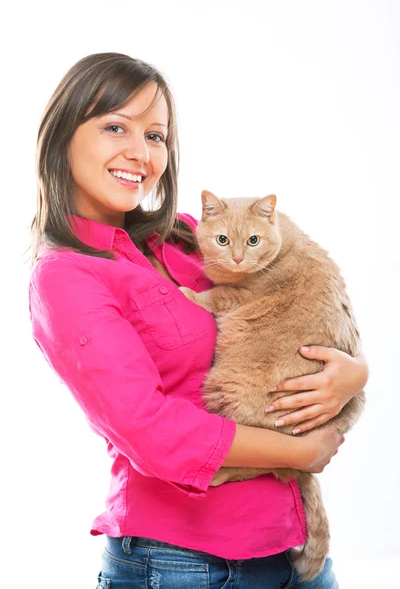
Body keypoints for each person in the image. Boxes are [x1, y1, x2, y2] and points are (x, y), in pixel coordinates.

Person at [29, 52, 368, 589]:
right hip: (182, 564)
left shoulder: (190, 236)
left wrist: (354, 373)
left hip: (292, 548)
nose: (139, 153)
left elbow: (299, 305)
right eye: (115, 126)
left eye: (156, 136)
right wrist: (303, 451)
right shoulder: (66, 277)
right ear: (63, 135)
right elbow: (151, 432)